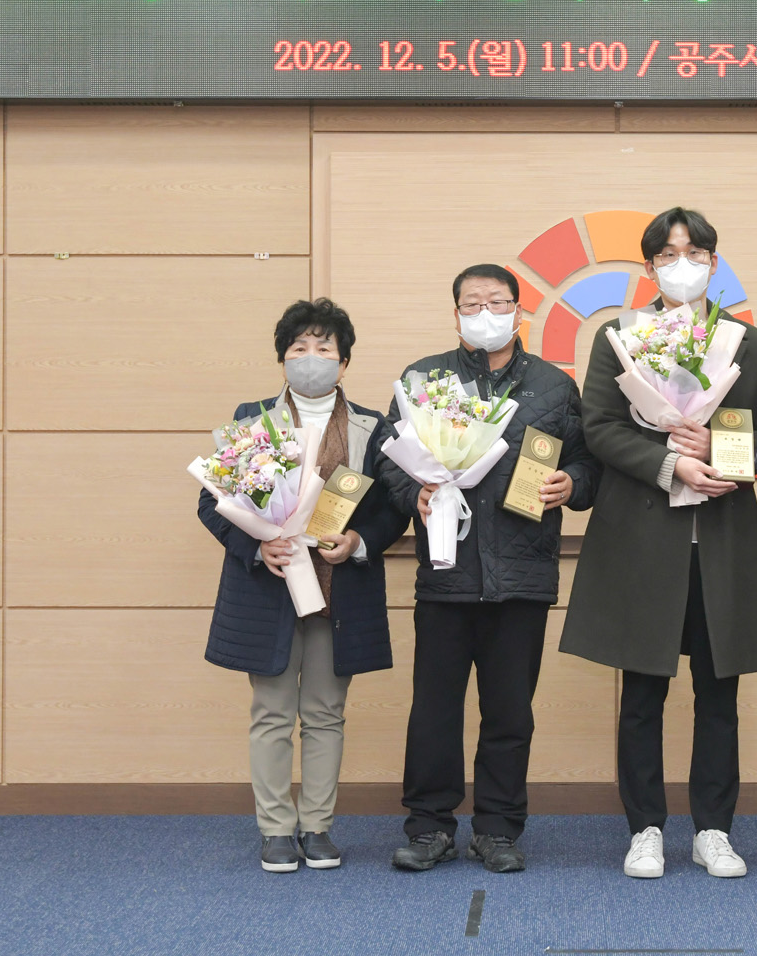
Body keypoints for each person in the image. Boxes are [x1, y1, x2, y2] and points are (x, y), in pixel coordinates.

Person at [561, 207, 757, 881]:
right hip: (641, 538)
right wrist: (672, 464)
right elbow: (601, 428)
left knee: (720, 694)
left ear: (714, 264)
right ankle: (646, 829)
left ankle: (713, 829)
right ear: (649, 265)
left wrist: (719, 449)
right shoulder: (620, 337)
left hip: (721, 540)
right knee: (641, 693)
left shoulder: (751, 345)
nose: (680, 264)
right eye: (666, 254)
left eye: (693, 253)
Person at [377, 263, 599, 874]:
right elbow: (389, 458)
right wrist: (415, 493)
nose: (485, 314)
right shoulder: (424, 380)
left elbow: (589, 463)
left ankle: (498, 829)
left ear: (519, 311)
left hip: (522, 575)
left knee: (510, 712)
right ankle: (429, 826)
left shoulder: (554, 386)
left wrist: (571, 483)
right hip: (446, 572)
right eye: (471, 303)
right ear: (455, 314)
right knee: (434, 710)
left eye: (497, 302)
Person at [199, 298, 410, 873]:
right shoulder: (251, 420)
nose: (310, 358)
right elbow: (212, 502)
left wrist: (359, 540)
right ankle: (275, 830)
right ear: (282, 359)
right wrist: (257, 546)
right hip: (268, 589)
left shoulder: (372, 426)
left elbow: (393, 507)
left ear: (344, 363)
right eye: (299, 348)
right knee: (271, 711)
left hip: (339, 590)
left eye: (323, 348)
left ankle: (317, 827)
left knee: (325, 711)